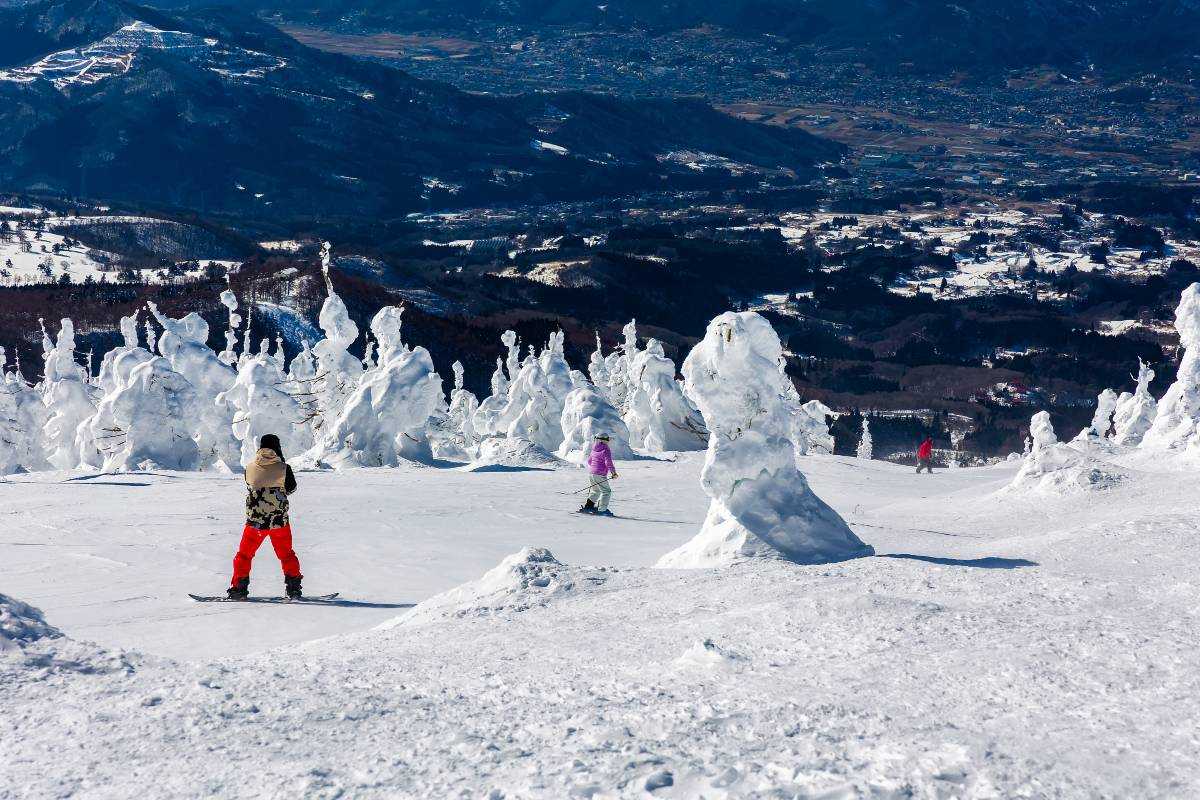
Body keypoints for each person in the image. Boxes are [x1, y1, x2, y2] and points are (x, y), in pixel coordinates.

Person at [227, 434, 303, 599]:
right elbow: (291, 489)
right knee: (286, 555)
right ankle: (294, 589)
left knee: (244, 555)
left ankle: (239, 588)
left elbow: (250, 485)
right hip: (279, 523)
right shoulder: (284, 468)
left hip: (255, 523)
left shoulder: (249, 467)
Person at [579, 433, 619, 517]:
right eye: (607, 439)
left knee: (595, 490)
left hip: (592, 473)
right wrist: (613, 473)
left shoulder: (594, 449)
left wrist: (595, 467)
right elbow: (608, 462)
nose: (608, 441)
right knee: (606, 491)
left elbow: (589, 461)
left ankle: (588, 507)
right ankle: (602, 510)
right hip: (599, 474)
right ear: (604, 440)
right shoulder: (606, 449)